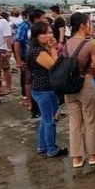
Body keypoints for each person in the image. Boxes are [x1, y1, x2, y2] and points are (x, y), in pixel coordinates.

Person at [27, 22, 69, 158]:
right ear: (36, 36)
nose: (49, 35)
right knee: (50, 120)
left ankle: (42, 146)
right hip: (44, 89)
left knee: (45, 120)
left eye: (51, 32)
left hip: (43, 89)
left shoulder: (39, 49)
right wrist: (53, 48)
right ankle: (51, 148)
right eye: (45, 33)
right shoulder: (37, 51)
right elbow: (54, 65)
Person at [64, 13, 95, 168]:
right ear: (82, 26)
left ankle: (77, 158)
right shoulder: (90, 44)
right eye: (88, 23)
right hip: (85, 82)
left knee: (74, 121)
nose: (90, 27)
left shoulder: (66, 44)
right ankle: (93, 154)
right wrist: (91, 74)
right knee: (89, 120)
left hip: (69, 85)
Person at [14, 10, 40, 118]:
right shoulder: (24, 26)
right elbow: (17, 42)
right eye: (42, 17)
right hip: (27, 56)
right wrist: (19, 60)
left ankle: (34, 102)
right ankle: (29, 101)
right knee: (27, 78)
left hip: (37, 56)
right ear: (36, 18)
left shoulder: (38, 27)